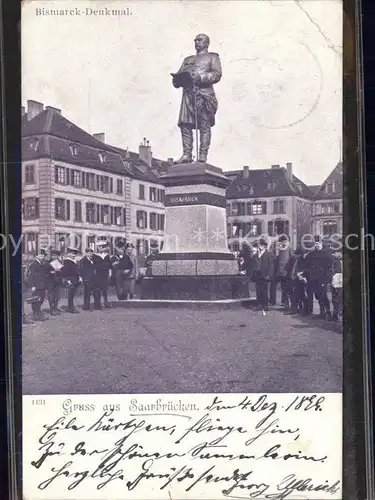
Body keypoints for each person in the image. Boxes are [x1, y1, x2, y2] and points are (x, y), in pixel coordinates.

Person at [171, 33, 222, 163]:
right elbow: (180, 73)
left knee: (204, 125)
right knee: (185, 124)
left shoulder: (212, 57)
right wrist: (177, 81)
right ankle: (187, 154)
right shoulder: (188, 59)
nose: (197, 42)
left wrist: (201, 77)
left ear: (206, 43)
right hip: (188, 95)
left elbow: (217, 75)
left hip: (203, 95)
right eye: (195, 40)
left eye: (200, 40)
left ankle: (202, 154)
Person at [304, 236, 333, 320]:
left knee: (323, 296)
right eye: (315, 243)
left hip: (322, 279)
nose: (317, 245)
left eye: (318, 243)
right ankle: (322, 313)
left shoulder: (326, 254)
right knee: (318, 296)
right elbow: (308, 265)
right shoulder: (312, 254)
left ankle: (328, 313)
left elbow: (329, 268)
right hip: (314, 279)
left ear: (321, 244)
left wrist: (326, 279)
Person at [25, 249, 49, 321]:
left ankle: (38, 312)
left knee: (41, 299)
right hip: (36, 286)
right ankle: (35, 314)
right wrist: (32, 286)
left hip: (42, 286)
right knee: (36, 300)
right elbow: (30, 276)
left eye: (43, 256)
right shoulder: (34, 264)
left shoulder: (42, 264)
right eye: (40, 255)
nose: (42, 257)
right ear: (36, 256)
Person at [269, 235, 291, 307]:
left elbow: (292, 259)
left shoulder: (288, 248)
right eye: (282, 241)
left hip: (284, 271)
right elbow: (276, 259)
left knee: (283, 287)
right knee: (276, 286)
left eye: (285, 241)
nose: (283, 243)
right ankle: (276, 301)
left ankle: (280, 301)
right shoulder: (279, 248)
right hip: (279, 271)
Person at [253, 238, 273, 312]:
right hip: (257, 275)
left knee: (264, 291)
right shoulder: (256, 255)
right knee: (258, 291)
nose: (260, 246)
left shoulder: (268, 254)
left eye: (261, 245)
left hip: (265, 275)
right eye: (259, 245)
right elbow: (254, 264)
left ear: (264, 246)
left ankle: (265, 305)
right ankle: (259, 305)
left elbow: (271, 265)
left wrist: (269, 275)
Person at [61, 247, 82, 313]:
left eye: (75, 254)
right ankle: (70, 308)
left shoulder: (74, 261)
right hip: (70, 279)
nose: (74, 255)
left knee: (73, 294)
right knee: (70, 294)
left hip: (75, 279)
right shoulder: (67, 261)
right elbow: (65, 272)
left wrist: (79, 277)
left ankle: (71, 307)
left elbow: (77, 271)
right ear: (68, 254)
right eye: (72, 253)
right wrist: (68, 280)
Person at [93, 241, 113, 309]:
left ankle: (106, 302)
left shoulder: (106, 256)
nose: (101, 248)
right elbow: (93, 266)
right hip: (98, 274)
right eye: (100, 247)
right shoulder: (95, 256)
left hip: (105, 274)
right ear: (98, 248)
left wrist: (110, 273)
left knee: (105, 288)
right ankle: (97, 304)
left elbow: (110, 265)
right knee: (97, 289)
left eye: (102, 247)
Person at [45, 248, 63, 316]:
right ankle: (51, 309)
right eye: (53, 255)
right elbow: (46, 272)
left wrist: (60, 274)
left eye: (56, 256)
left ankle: (55, 308)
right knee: (51, 296)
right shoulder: (48, 263)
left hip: (57, 281)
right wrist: (52, 272)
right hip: (50, 281)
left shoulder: (60, 262)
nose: (54, 257)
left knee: (57, 296)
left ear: (58, 256)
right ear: (51, 256)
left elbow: (61, 271)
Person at [331, 249, 343, 322]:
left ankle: (336, 315)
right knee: (337, 298)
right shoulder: (336, 261)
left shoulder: (335, 260)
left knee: (336, 299)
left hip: (336, 281)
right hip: (337, 281)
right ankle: (336, 315)